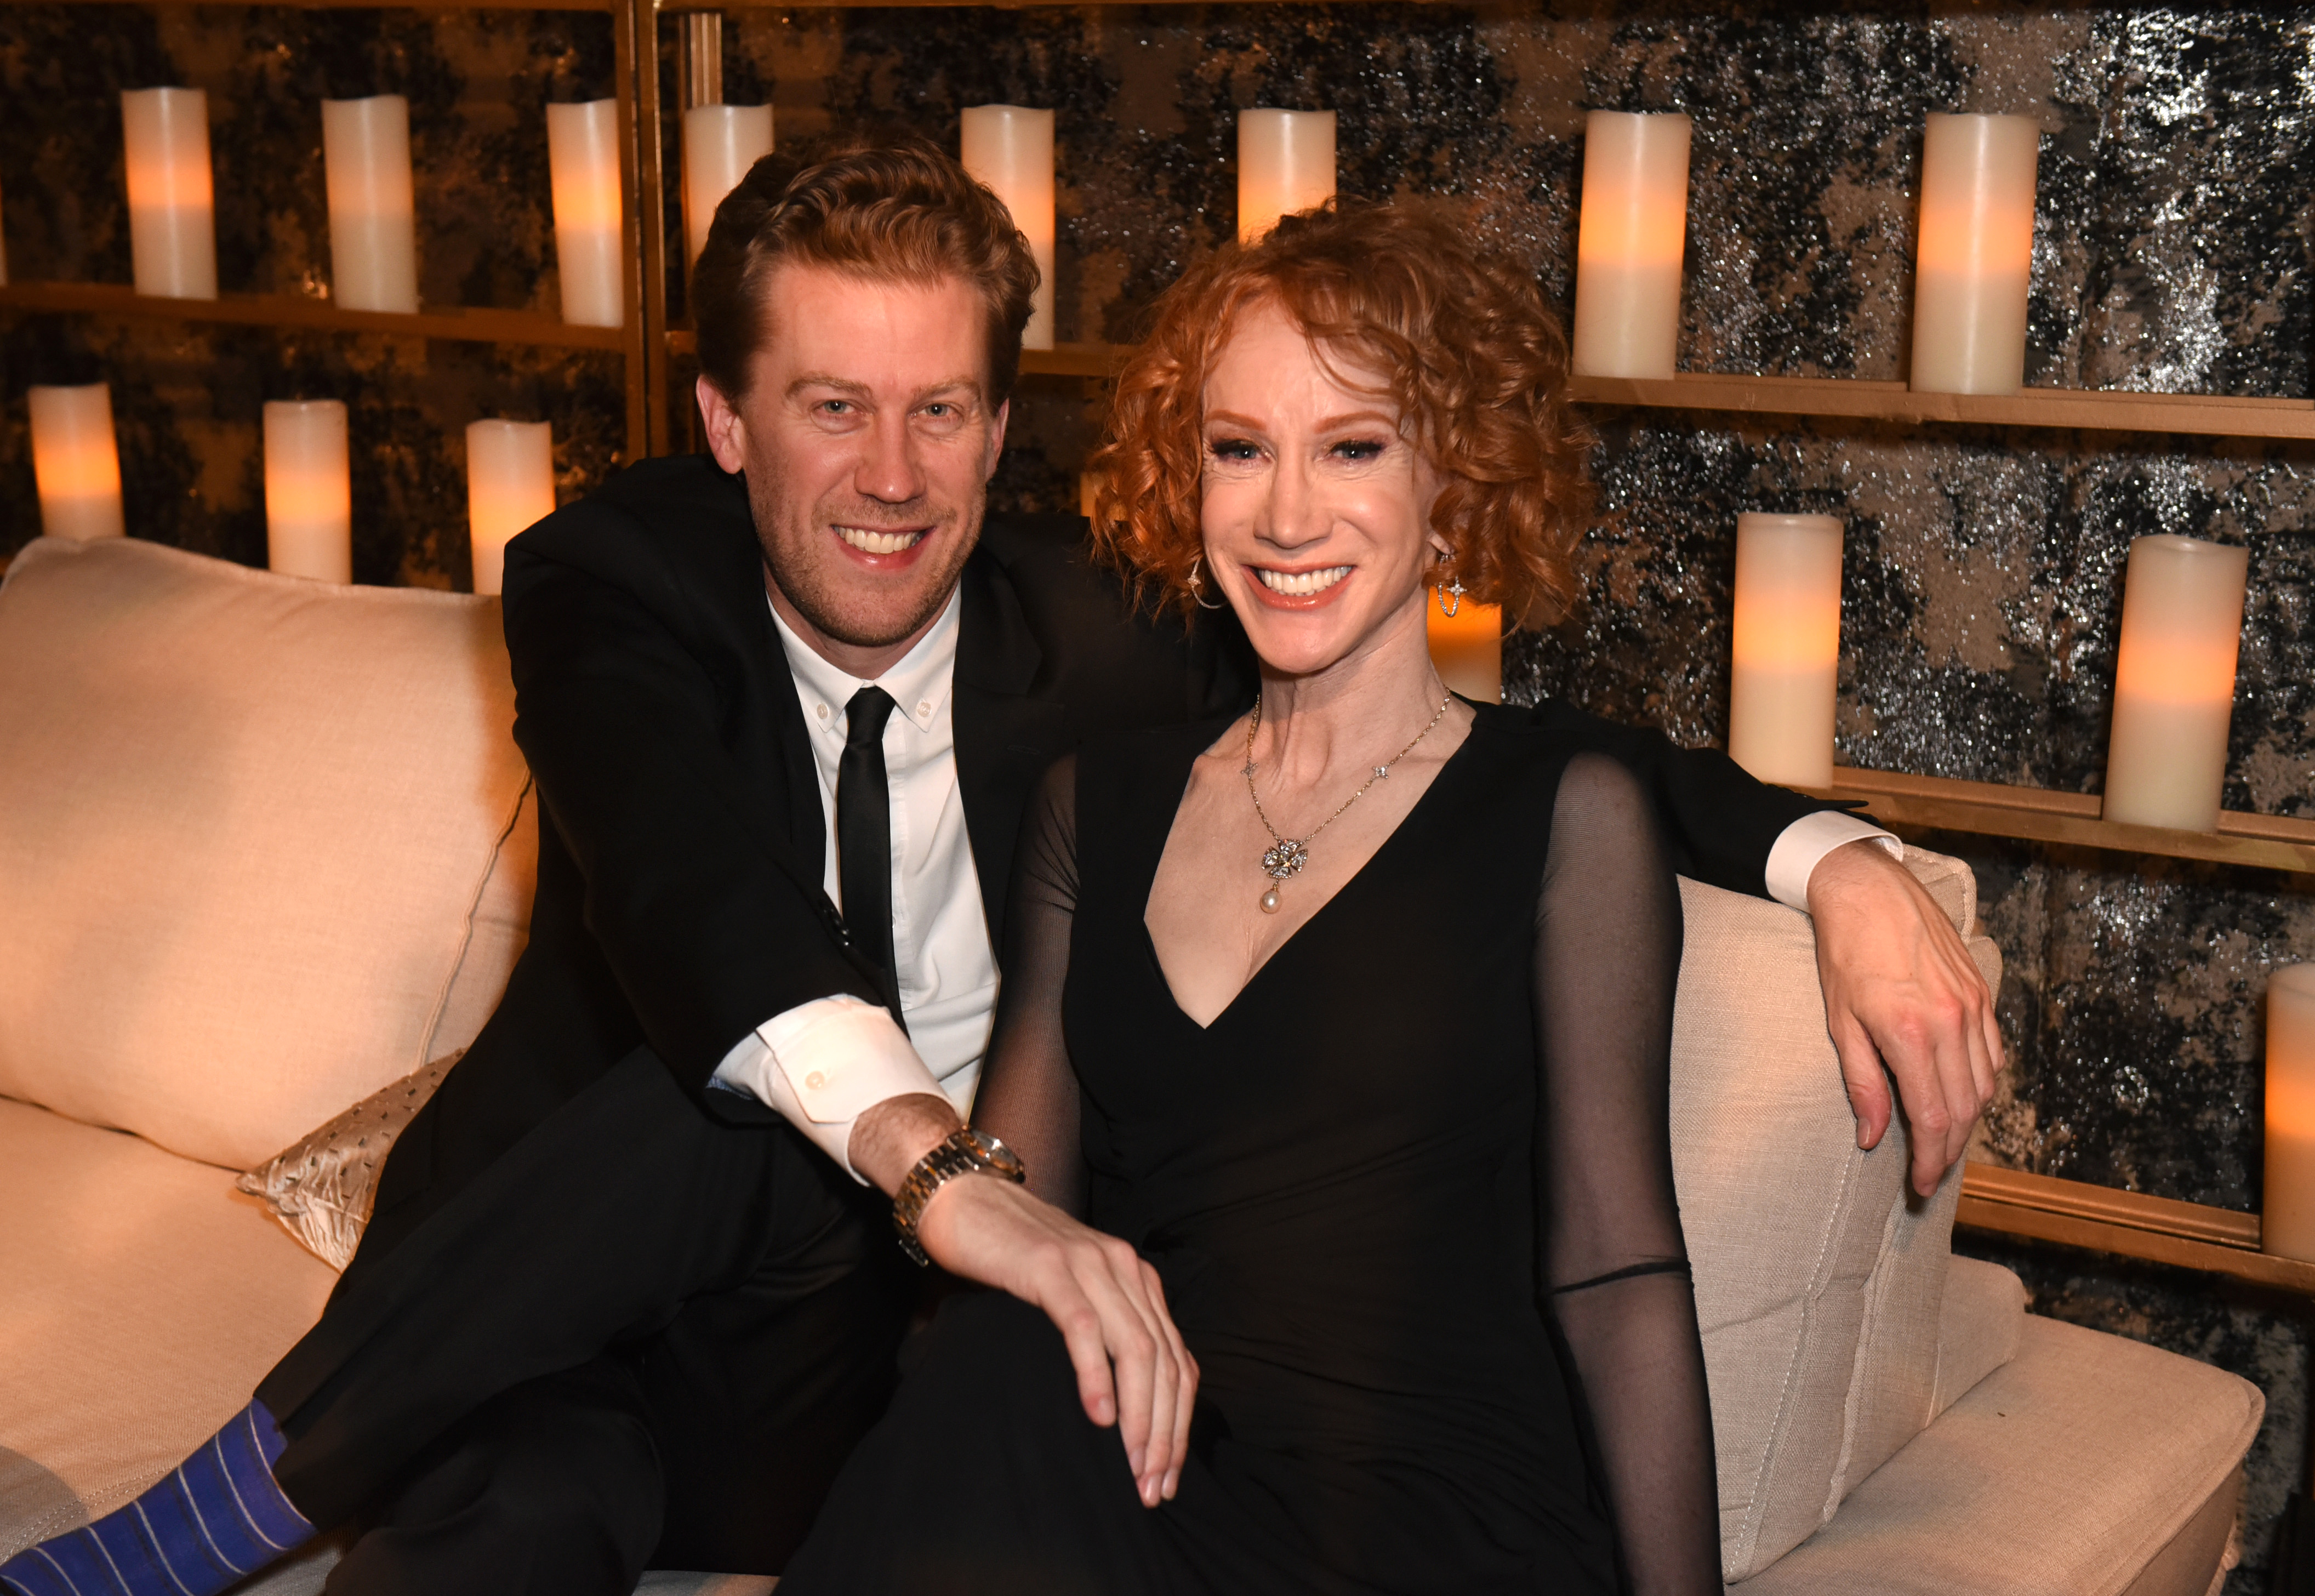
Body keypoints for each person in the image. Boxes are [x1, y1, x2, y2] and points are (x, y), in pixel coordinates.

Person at [0, 145, 1995, 1596]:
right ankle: (196, 1534)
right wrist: (958, 1188)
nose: (890, 474)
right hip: (584, 1324)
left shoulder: (1118, 639)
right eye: (830, 408)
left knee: (877, 1257)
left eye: (941, 409)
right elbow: (704, 910)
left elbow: (1497, 757)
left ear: (994, 426)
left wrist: (1830, 853)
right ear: (724, 419)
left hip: (883, 1351)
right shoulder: (607, 587)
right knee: (688, 1156)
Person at [780, 196, 1724, 1595]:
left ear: (1454, 483)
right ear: (1189, 476)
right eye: (1240, 449)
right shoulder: (1096, 804)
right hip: (1158, 1482)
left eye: (1354, 446)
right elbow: (1015, 1221)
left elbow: (1615, 1266)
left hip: (1434, 1515)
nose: (1286, 513)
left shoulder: (1565, 811)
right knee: (1000, 1342)